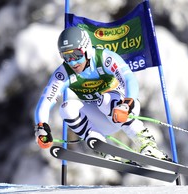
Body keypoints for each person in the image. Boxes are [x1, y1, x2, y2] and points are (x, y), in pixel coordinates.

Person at [34, 26, 171, 162]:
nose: (73, 62)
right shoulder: (63, 73)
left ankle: (147, 145)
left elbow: (129, 79)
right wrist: (41, 127)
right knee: (66, 108)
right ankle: (106, 150)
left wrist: (126, 104)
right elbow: (46, 101)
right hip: (101, 120)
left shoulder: (104, 58)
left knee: (105, 100)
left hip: (124, 110)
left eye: (77, 55)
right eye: (66, 56)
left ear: (86, 48)